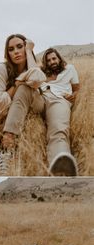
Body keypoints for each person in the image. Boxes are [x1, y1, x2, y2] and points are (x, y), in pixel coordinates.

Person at [0, 33, 46, 175]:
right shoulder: (1, 68)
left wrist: (29, 50)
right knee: (22, 87)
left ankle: (6, 149)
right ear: (7, 53)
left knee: (25, 87)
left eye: (20, 47)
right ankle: (6, 152)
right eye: (11, 49)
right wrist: (15, 85)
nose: (16, 52)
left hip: (32, 101)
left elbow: (37, 79)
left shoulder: (32, 66)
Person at [40, 48, 80, 176]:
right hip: (40, 97)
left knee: (58, 128)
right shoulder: (41, 73)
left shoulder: (70, 69)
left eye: (54, 58)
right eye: (48, 60)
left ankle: (61, 164)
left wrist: (73, 95)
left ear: (59, 58)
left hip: (59, 100)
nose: (52, 62)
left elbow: (76, 89)